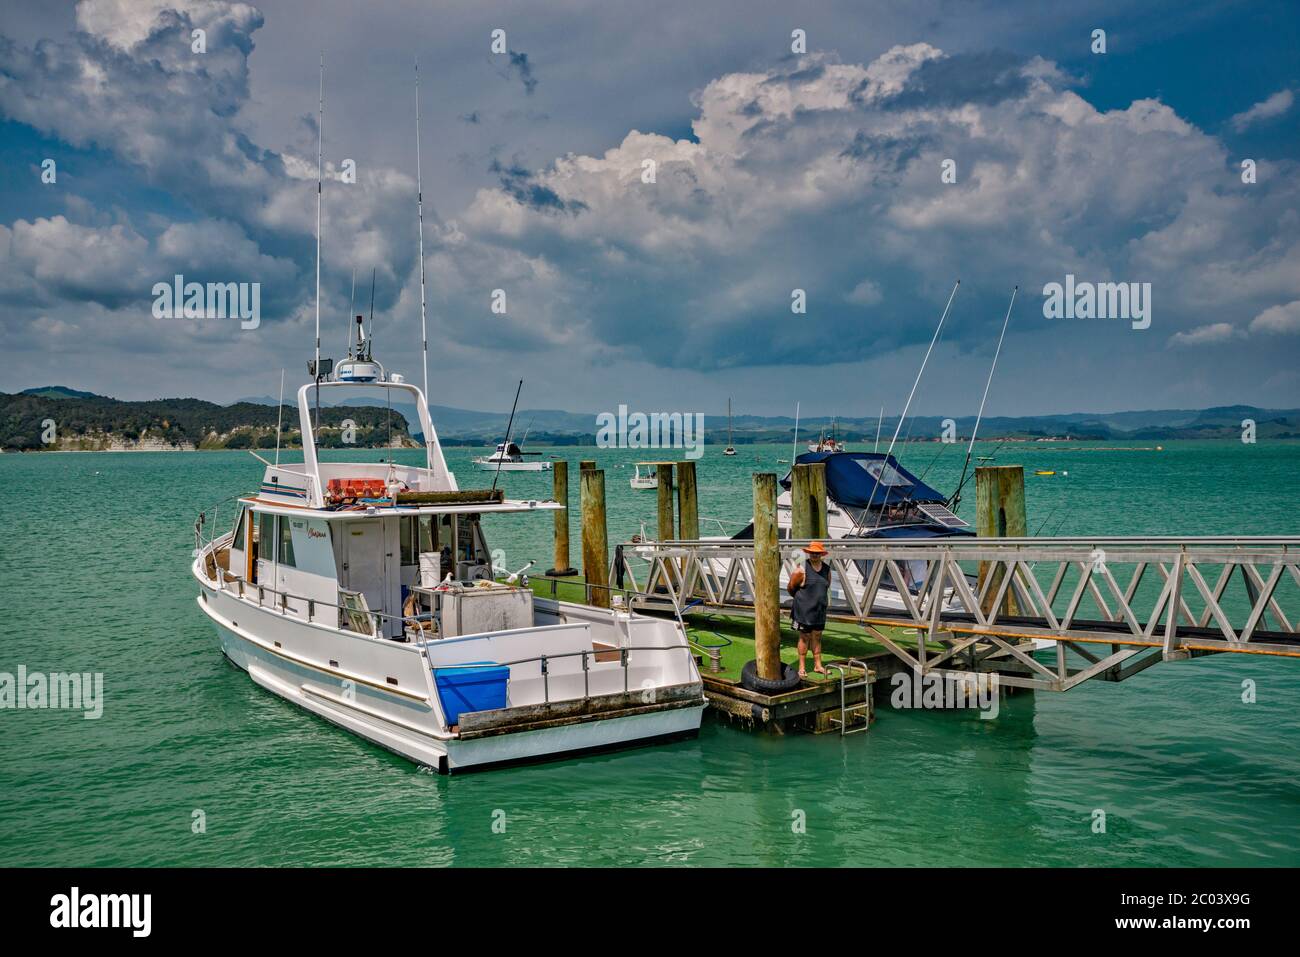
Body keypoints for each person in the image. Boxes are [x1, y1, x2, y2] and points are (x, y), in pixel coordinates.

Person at [788, 540, 831, 677]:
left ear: (821, 554)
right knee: (804, 637)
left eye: (817, 553)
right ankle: (802, 667)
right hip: (803, 611)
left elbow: (826, 585)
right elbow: (790, 588)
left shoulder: (827, 569)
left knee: (817, 637)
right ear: (808, 553)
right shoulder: (801, 570)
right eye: (812, 552)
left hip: (819, 610)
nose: (814, 555)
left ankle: (818, 666)